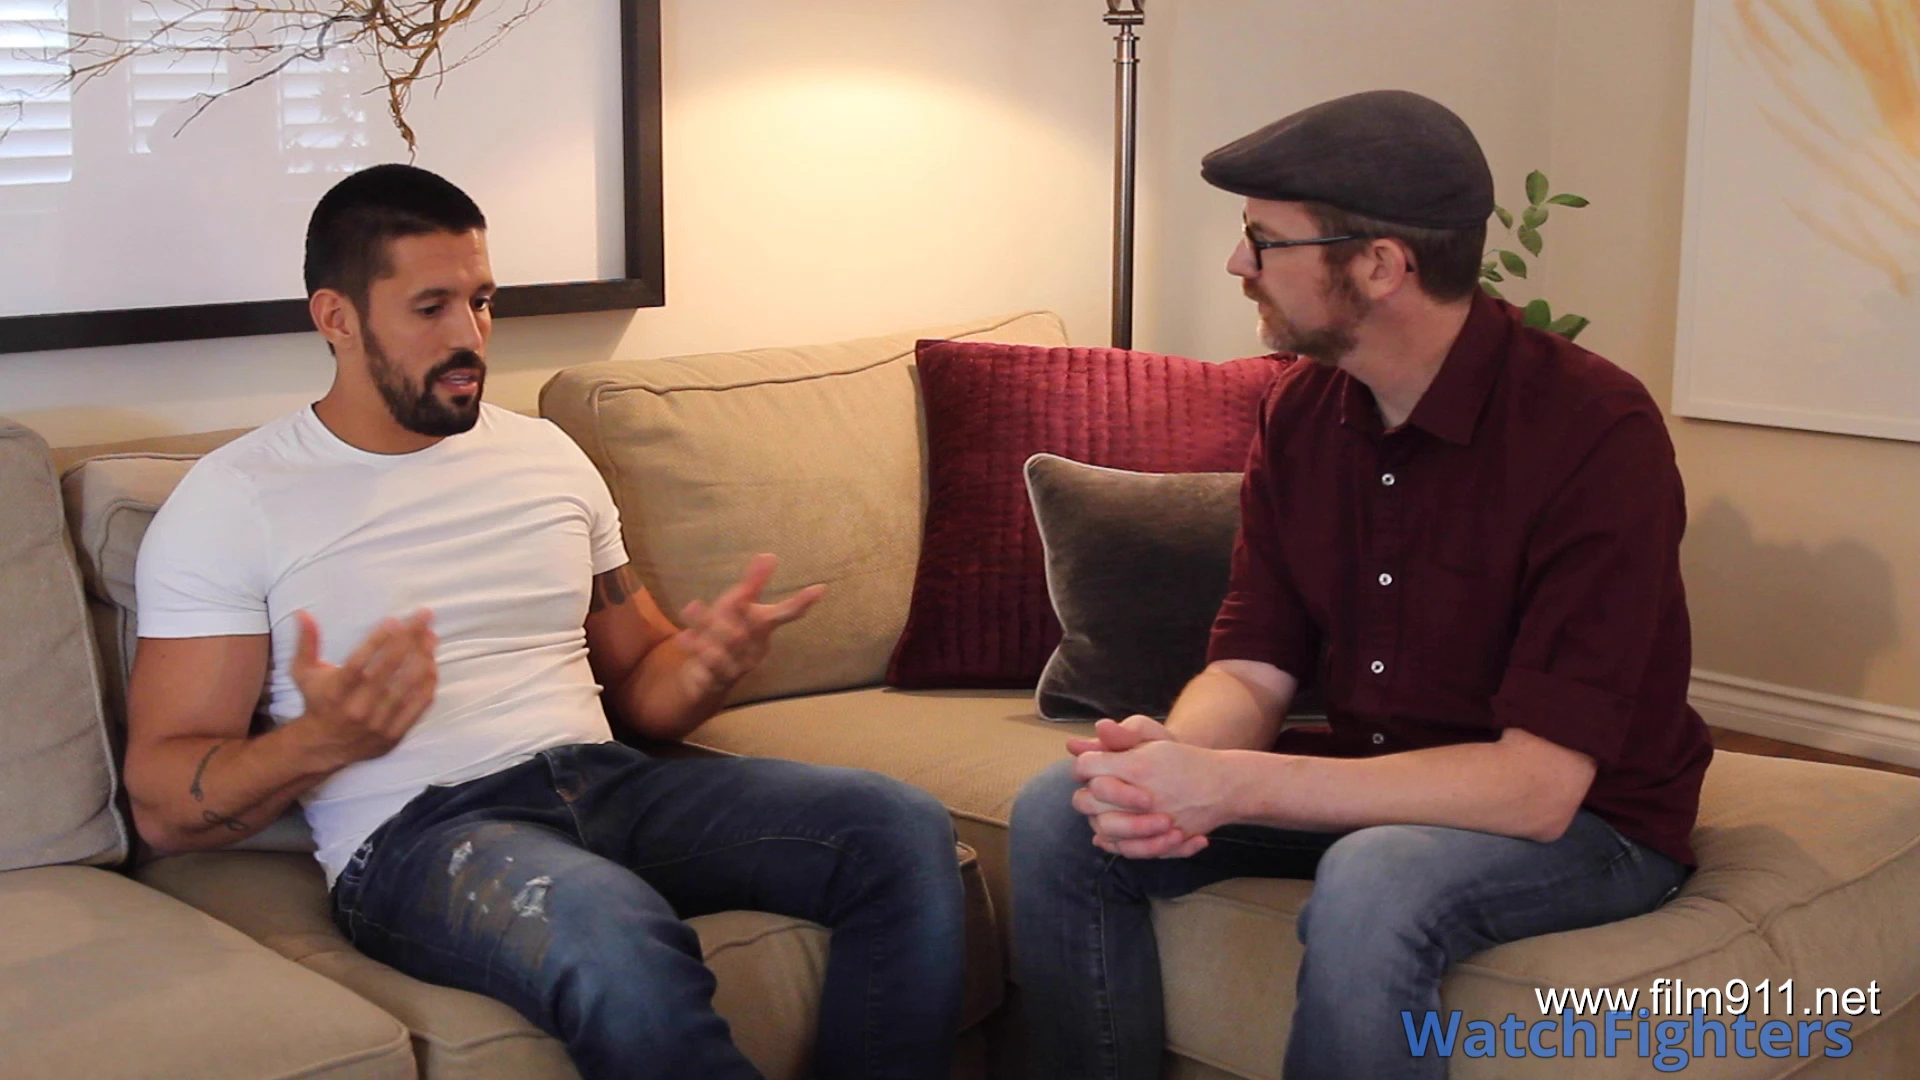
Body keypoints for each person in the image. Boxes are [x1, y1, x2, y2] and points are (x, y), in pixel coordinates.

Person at [124, 163, 967, 1080]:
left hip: (604, 783)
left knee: (897, 827)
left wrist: (704, 666)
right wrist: (318, 743)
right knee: (610, 928)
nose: (470, 335)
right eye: (431, 307)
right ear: (337, 317)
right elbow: (163, 804)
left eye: (482, 301)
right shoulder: (236, 500)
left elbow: (641, 687)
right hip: (419, 839)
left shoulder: (547, 456)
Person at [1009, 89, 1713, 1080]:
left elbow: (1538, 788)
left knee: (1378, 876)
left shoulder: (1594, 432)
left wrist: (1236, 782)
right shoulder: (1301, 412)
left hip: (1593, 823)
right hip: (1381, 774)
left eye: (1265, 241)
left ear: (1381, 265)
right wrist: (1174, 763)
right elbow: (1253, 661)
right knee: (1067, 810)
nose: (1238, 263)